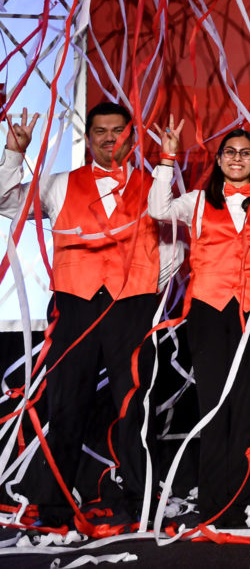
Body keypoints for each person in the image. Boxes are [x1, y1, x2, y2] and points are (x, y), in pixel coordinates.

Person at [0, 103, 174, 530]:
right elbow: (5, 200)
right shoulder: (59, 184)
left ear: (132, 136)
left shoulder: (154, 188)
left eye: (117, 130)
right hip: (74, 305)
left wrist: (140, 287)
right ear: (90, 136)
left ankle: (142, 500)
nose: (108, 138)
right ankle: (55, 507)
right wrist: (14, 156)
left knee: (134, 408)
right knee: (65, 407)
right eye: (99, 131)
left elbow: (173, 250)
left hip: (130, 306)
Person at [149, 120, 250, 527]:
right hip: (208, 309)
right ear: (219, 159)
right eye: (230, 152)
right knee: (213, 402)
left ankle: (241, 498)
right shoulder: (195, 200)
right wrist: (167, 158)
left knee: (246, 403)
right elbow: (158, 209)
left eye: (245, 153)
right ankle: (213, 500)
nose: (237, 159)